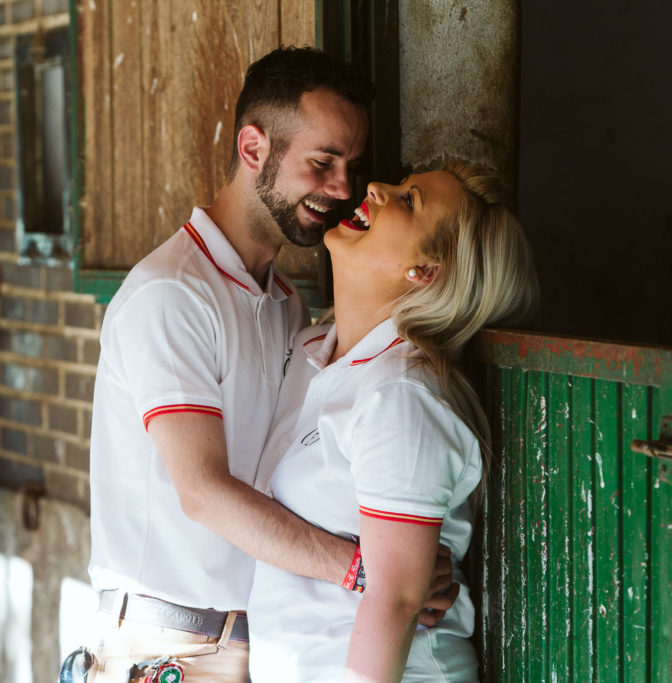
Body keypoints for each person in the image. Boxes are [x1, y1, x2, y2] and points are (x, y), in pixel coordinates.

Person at [73, 47, 458, 683]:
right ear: (254, 149)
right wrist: (367, 571)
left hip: (251, 643)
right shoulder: (172, 293)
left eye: (351, 166)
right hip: (168, 650)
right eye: (322, 162)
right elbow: (203, 492)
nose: (342, 189)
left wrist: (405, 562)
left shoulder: (285, 305)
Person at [247, 160, 540, 682]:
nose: (376, 188)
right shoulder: (318, 353)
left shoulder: (402, 395)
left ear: (425, 272)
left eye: (408, 201)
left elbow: (399, 600)